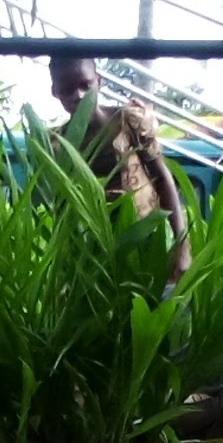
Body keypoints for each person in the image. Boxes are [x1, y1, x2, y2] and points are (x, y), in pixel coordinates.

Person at [51, 56, 189, 280]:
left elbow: (162, 177)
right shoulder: (58, 144)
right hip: (95, 255)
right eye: (67, 90)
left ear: (99, 81)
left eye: (85, 85)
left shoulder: (129, 121)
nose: (78, 96)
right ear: (54, 92)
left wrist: (182, 246)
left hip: (149, 240)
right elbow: (61, 206)